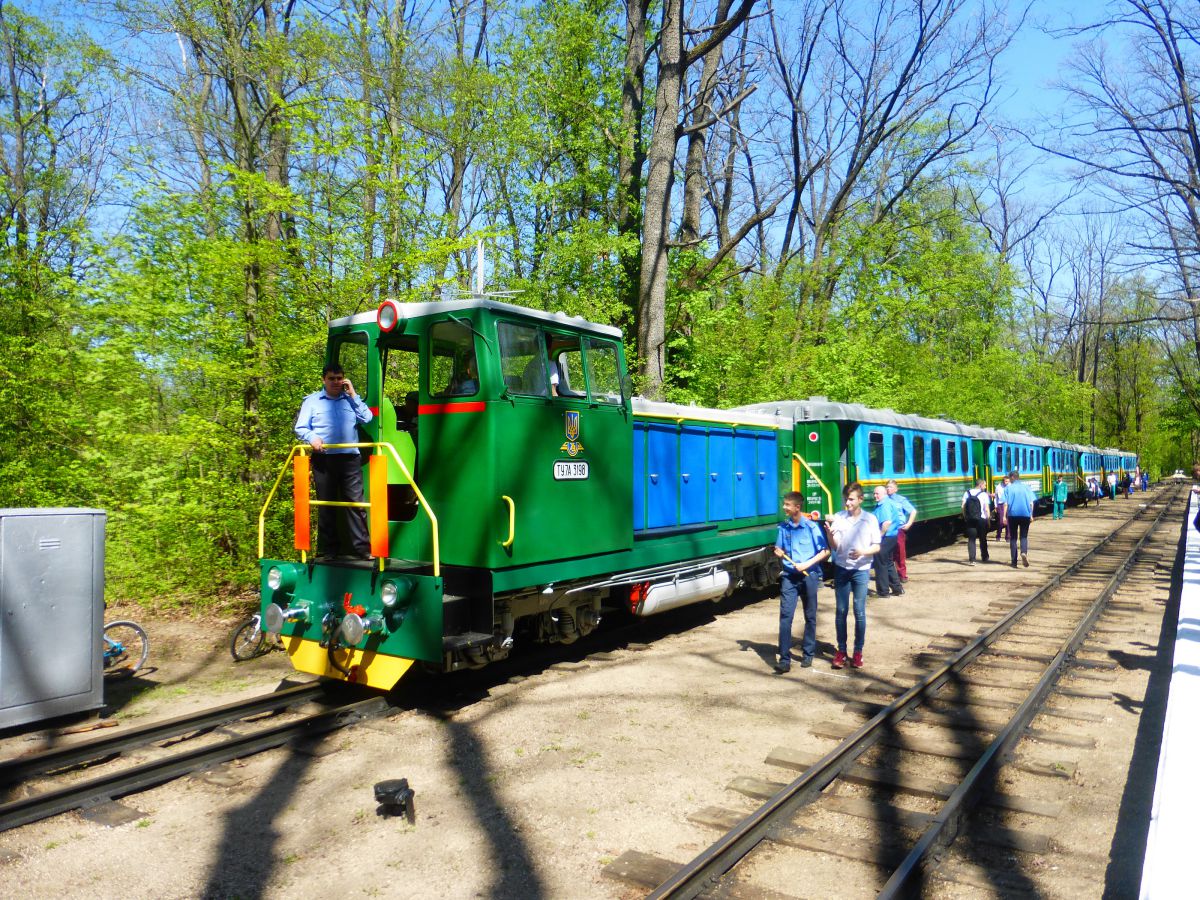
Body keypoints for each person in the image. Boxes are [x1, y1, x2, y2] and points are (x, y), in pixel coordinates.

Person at [294, 364, 374, 559]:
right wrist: (312, 438)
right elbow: (301, 427)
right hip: (324, 459)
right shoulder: (312, 401)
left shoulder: (350, 400)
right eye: (332, 378)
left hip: (350, 459)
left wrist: (354, 394)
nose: (336, 382)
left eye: (339, 378)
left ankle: (362, 549)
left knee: (356, 504)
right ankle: (330, 550)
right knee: (326, 504)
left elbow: (367, 418)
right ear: (324, 380)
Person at [772, 492, 830, 673]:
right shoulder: (783, 528)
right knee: (785, 616)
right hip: (789, 577)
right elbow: (779, 548)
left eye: (787, 504)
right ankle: (784, 659)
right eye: (784, 504)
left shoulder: (811, 527)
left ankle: (808, 653)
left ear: (797, 507)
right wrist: (778, 552)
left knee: (810, 616)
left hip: (809, 575)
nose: (784, 507)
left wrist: (806, 564)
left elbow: (825, 551)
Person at [826, 482, 881, 670]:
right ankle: (841, 651)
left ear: (860, 499)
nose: (847, 503)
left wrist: (863, 552)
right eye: (845, 499)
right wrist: (829, 533)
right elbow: (836, 547)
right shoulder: (840, 518)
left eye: (850, 499)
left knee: (859, 611)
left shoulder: (870, 519)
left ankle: (858, 652)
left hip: (861, 570)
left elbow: (877, 546)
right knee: (841, 611)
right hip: (842, 569)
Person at [871, 486, 905, 597]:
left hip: (886, 537)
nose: (875, 496)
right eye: (874, 493)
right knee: (889, 563)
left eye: (877, 494)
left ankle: (883, 591)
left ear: (884, 494)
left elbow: (886, 523)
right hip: (892, 537)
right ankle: (897, 589)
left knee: (880, 563)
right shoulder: (887, 502)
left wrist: (879, 537)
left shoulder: (884, 505)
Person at [885, 479, 917, 582]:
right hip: (887, 530)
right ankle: (890, 575)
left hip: (898, 529)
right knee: (888, 553)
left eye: (890, 487)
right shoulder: (884, 500)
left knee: (900, 552)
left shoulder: (901, 500)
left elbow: (913, 511)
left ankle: (902, 575)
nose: (888, 489)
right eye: (887, 487)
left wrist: (909, 523)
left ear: (896, 489)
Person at [1004, 469, 1036, 568]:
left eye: (1010, 478)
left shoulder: (1008, 488)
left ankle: (1014, 562)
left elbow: (1006, 504)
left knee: (1013, 538)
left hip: (1013, 515)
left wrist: (1003, 516)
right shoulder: (1027, 487)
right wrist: (1031, 514)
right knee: (1023, 536)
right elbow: (1031, 503)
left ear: (1013, 477)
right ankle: (1024, 552)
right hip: (1025, 515)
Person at [961, 479, 992, 565]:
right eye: (985, 485)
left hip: (970, 519)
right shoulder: (984, 495)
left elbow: (963, 506)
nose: (985, 487)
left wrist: (965, 517)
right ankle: (985, 557)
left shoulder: (967, 493)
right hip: (981, 519)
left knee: (971, 539)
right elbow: (986, 508)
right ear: (981, 485)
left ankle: (972, 560)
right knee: (983, 538)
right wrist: (988, 520)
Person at [994, 475, 1010, 541]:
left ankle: (1008, 537)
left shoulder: (1010, 486)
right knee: (1001, 521)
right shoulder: (998, 487)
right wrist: (996, 506)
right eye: (1006, 481)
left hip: (1008, 504)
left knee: (1008, 521)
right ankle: (998, 535)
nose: (1007, 483)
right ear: (1003, 481)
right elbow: (996, 497)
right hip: (1000, 505)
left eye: (1008, 481)